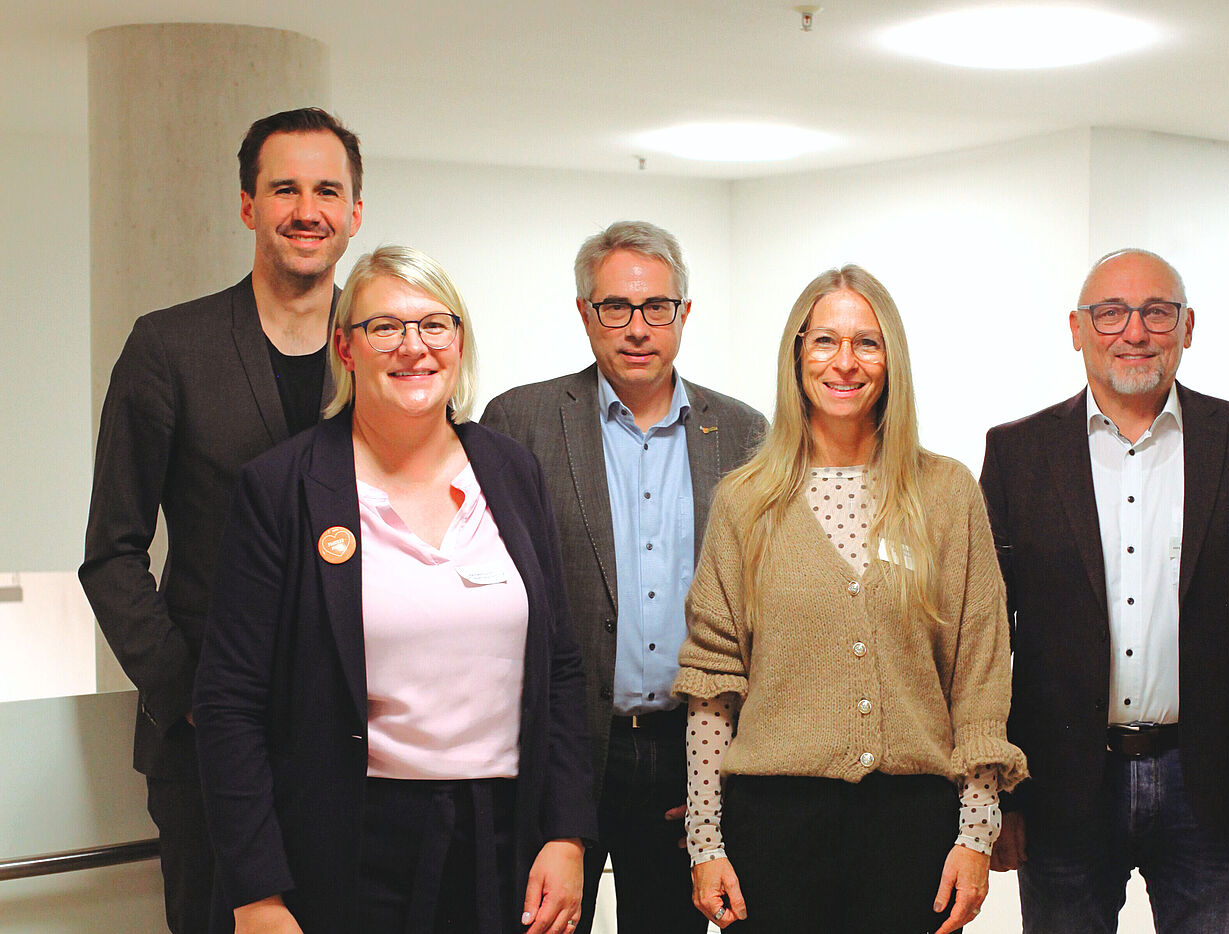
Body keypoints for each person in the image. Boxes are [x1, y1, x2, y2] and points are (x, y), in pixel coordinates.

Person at [193, 245, 595, 934]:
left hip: (506, 838)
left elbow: (559, 668)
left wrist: (567, 834)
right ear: (346, 350)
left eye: (434, 325)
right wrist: (256, 892)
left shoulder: (510, 470)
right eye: (385, 327)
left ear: (459, 341)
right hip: (352, 842)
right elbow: (229, 702)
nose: (414, 347)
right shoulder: (284, 488)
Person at [979, 248, 1229, 933]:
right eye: (1110, 313)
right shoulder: (1019, 454)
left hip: (1215, 788)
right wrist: (994, 792)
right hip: (1060, 788)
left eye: (1156, 313)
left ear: (1188, 326)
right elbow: (988, 639)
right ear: (1077, 329)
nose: (1134, 332)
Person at [674, 265, 1027, 934]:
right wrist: (706, 843)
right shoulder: (745, 504)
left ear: (891, 359)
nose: (845, 362)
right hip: (774, 827)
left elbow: (980, 674)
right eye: (825, 341)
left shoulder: (946, 494)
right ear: (797, 354)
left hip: (911, 826)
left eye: (867, 342)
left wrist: (976, 834)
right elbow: (713, 690)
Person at [79, 107, 363, 934]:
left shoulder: (390, 343)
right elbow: (112, 553)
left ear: (354, 213)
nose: (306, 209)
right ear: (248, 206)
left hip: (361, 742)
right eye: (284, 189)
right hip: (208, 748)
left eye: (326, 190)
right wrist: (193, 693)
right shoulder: (169, 347)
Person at [479, 221, 766, 933]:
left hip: (686, 752)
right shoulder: (521, 422)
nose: (637, 328)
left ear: (684, 315)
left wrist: (722, 776)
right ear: (585, 314)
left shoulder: (743, 434)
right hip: (562, 746)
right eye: (615, 307)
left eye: (656, 307)